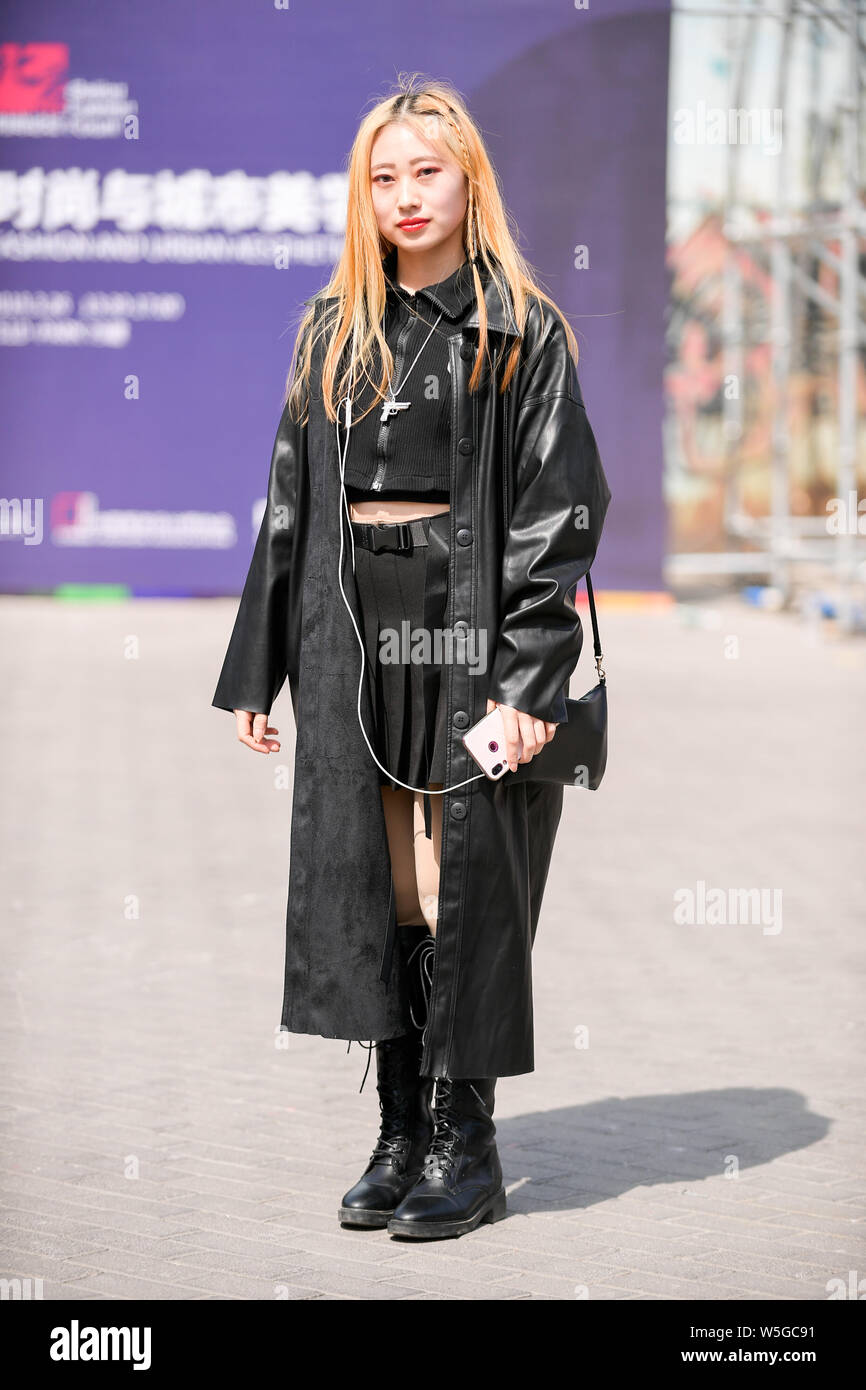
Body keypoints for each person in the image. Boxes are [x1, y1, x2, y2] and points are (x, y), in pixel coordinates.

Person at [212, 75, 612, 1241]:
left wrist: (530, 677)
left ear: (468, 179)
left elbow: (560, 512)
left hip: (466, 622)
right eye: (381, 176)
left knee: (458, 881)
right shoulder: (330, 328)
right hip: (349, 630)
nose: (402, 194)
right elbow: (288, 507)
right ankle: (396, 1128)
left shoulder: (520, 329)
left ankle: (462, 1139)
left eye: (423, 171)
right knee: (375, 876)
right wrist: (259, 666)